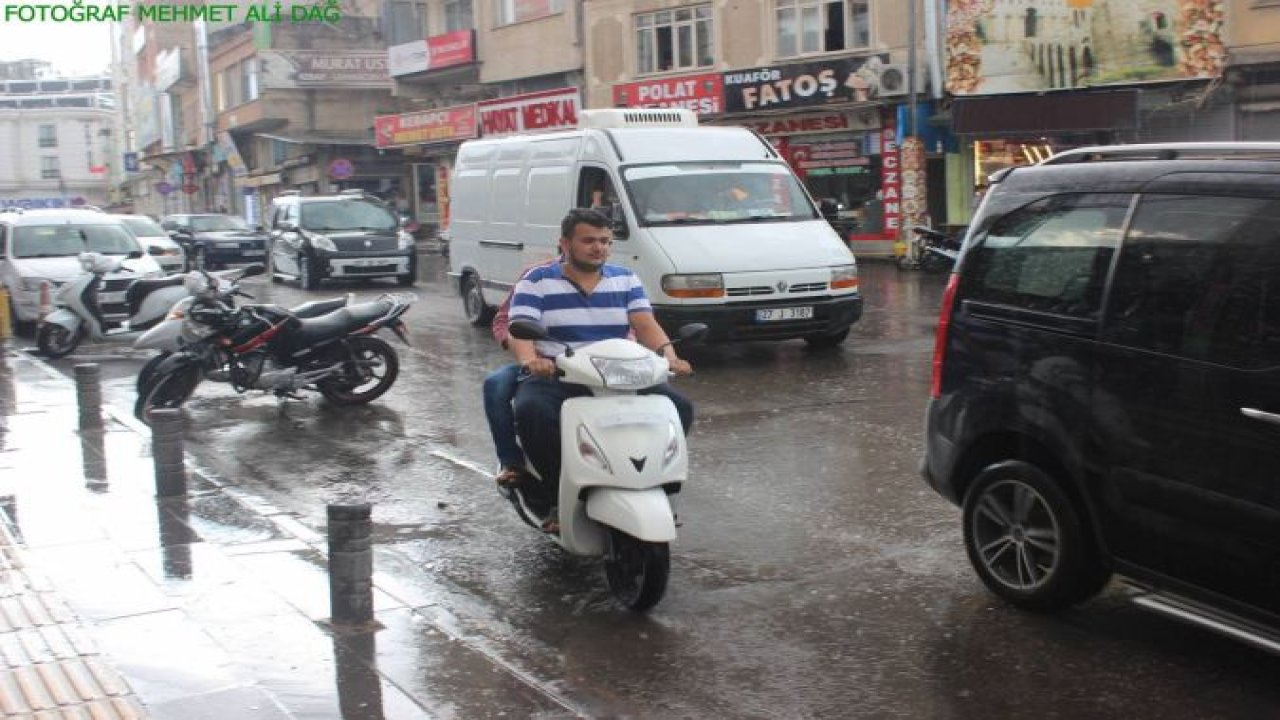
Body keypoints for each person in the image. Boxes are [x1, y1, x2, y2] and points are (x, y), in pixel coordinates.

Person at [508, 208, 695, 531]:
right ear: (565, 243)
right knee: (531, 411)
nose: (599, 248)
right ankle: (556, 494)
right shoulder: (536, 281)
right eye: (589, 241)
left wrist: (670, 357)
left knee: (678, 408)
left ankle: (659, 486)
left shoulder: (625, 278)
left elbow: (645, 324)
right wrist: (530, 361)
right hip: (559, 374)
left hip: (620, 374)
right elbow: (519, 329)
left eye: (605, 241)